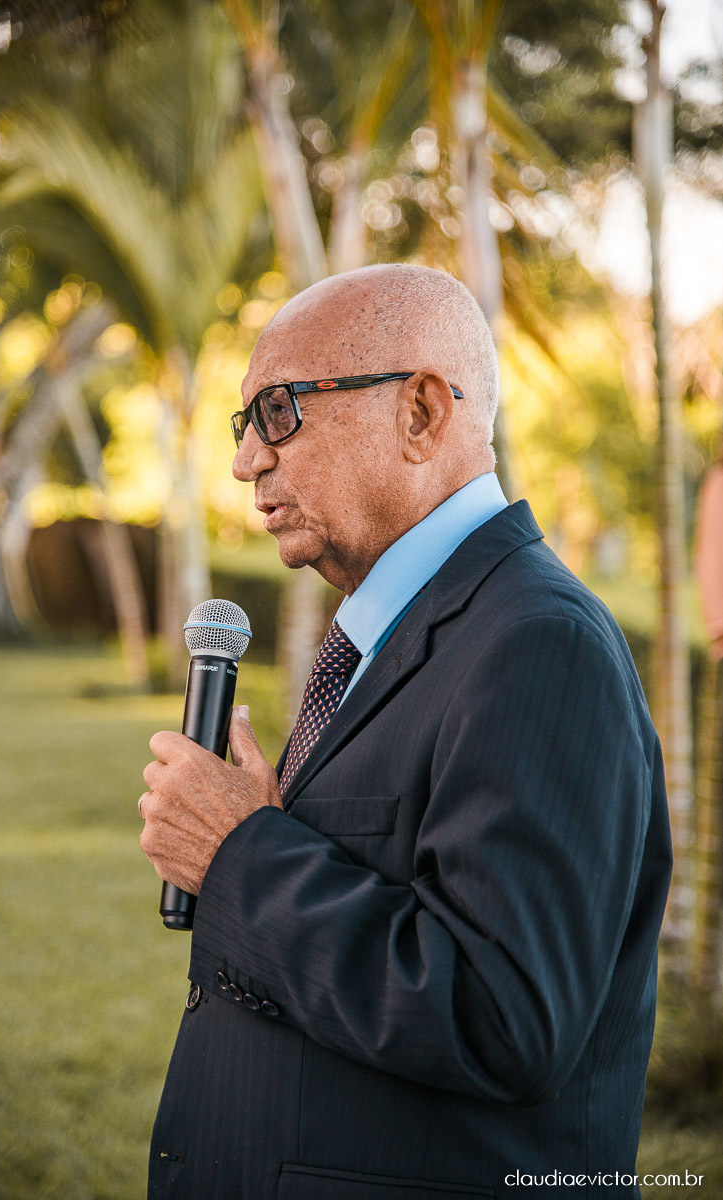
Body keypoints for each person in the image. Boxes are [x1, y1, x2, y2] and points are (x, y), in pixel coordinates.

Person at [139, 264, 672, 1200]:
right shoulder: (393, 631)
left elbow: (502, 1018)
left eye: (278, 411)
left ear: (421, 413)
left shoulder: (537, 644)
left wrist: (237, 856)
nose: (246, 461)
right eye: (243, 425)